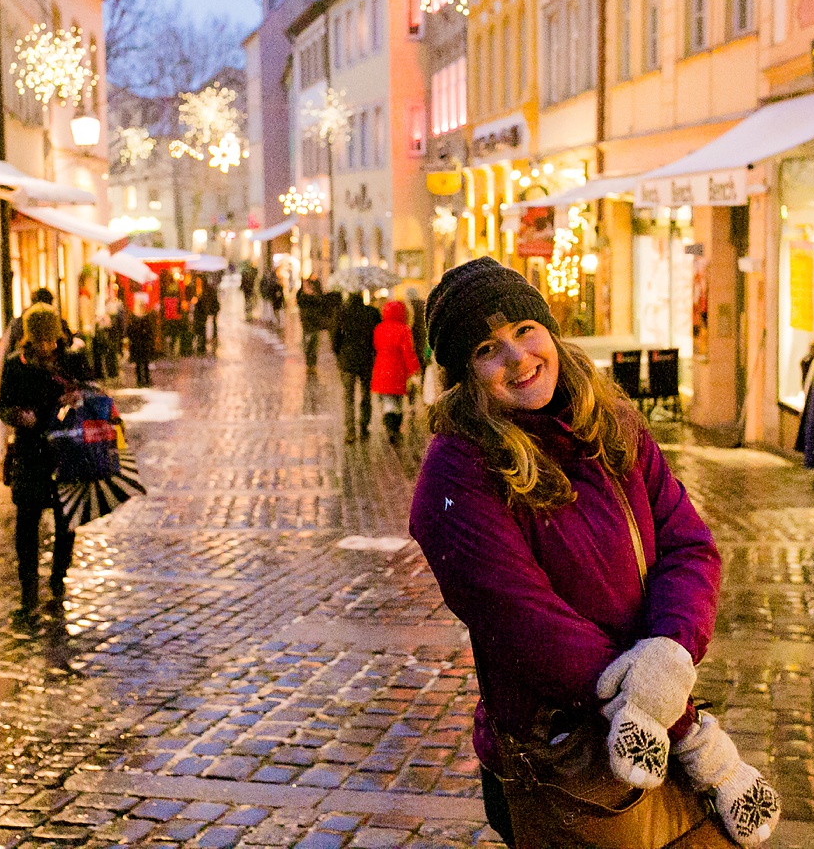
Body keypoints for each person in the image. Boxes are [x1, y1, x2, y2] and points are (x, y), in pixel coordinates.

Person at [408, 258, 779, 849]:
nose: (518, 357)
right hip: (567, 754)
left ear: (550, 330)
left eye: (526, 330)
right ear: (464, 376)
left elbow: (689, 546)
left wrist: (670, 649)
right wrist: (683, 728)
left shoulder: (610, 423)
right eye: (486, 348)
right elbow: (529, 625)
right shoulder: (456, 478)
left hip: (651, 718)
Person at [0, 303, 94, 616]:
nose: (47, 347)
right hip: (29, 453)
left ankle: (58, 577)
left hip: (65, 453)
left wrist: (77, 399)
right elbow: (3, 405)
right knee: (27, 523)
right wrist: (17, 415)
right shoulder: (15, 365)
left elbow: (93, 394)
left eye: (51, 340)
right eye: (41, 341)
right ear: (29, 339)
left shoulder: (70, 362)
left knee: (67, 521)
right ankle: (28, 587)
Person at [331, 291, 380, 443]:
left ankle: (350, 431)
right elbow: (377, 336)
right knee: (366, 395)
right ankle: (364, 427)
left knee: (348, 397)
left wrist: (339, 354)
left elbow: (335, 338)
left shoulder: (341, 312)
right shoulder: (371, 312)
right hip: (366, 359)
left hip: (347, 360)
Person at [370, 299, 420, 445]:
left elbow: (375, 346)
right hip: (398, 370)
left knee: (387, 401)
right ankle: (395, 428)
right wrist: (414, 369)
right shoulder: (404, 329)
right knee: (397, 401)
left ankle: (389, 425)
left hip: (381, 369)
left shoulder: (379, 328)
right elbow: (408, 352)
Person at [0, 287, 72, 378]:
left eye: (48, 340)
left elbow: (7, 348)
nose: (44, 347)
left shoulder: (18, 323)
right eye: (38, 341)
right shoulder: (58, 322)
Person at [296, 277, 333, 372]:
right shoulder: (304, 298)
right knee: (308, 346)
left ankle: (312, 364)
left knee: (313, 345)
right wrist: (302, 286)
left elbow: (322, 304)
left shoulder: (316, 299)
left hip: (314, 326)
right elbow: (299, 298)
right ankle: (310, 364)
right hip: (307, 326)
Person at [126, 292, 157, 387]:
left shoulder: (133, 318)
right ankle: (145, 380)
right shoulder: (145, 317)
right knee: (143, 363)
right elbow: (150, 331)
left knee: (140, 363)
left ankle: (140, 380)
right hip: (142, 343)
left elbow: (129, 331)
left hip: (138, 344)